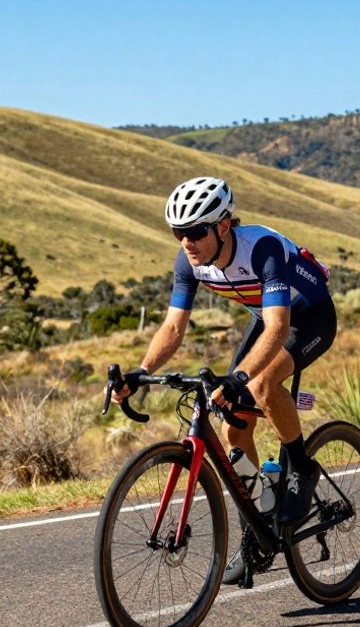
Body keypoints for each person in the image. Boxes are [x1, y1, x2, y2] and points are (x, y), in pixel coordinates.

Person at [110, 176, 337, 583]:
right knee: (233, 426)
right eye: (178, 233)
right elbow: (173, 329)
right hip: (265, 320)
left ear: (223, 226)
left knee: (261, 386)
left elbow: (280, 329)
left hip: (308, 317)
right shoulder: (190, 262)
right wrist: (141, 373)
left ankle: (302, 468)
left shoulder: (263, 249)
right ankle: (258, 530)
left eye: (195, 231)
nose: (186, 242)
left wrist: (242, 376)